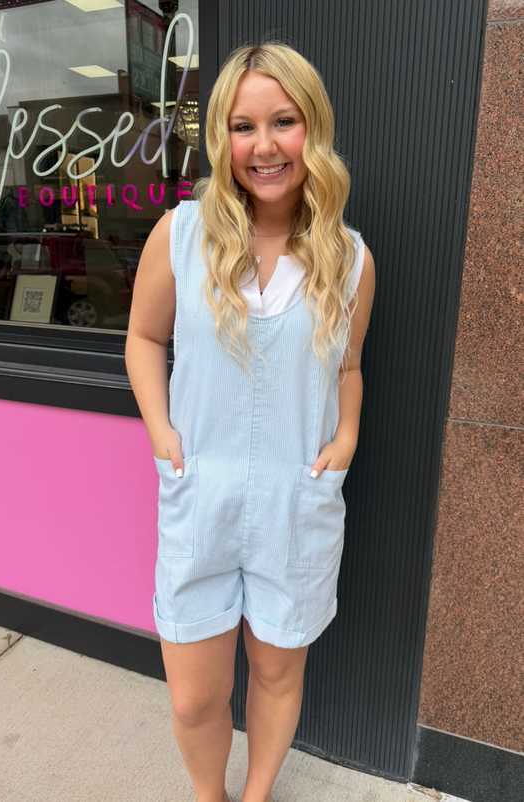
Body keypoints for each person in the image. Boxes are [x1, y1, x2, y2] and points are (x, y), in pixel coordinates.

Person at [125, 42, 375, 802]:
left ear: (312, 131)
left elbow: (347, 368)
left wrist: (345, 440)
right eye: (243, 126)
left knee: (274, 671)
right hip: (201, 490)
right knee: (196, 695)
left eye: (283, 121)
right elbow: (143, 338)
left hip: (293, 499)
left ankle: (257, 793)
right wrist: (164, 438)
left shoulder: (351, 260)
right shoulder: (181, 235)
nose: (263, 145)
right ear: (222, 140)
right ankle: (210, 795)